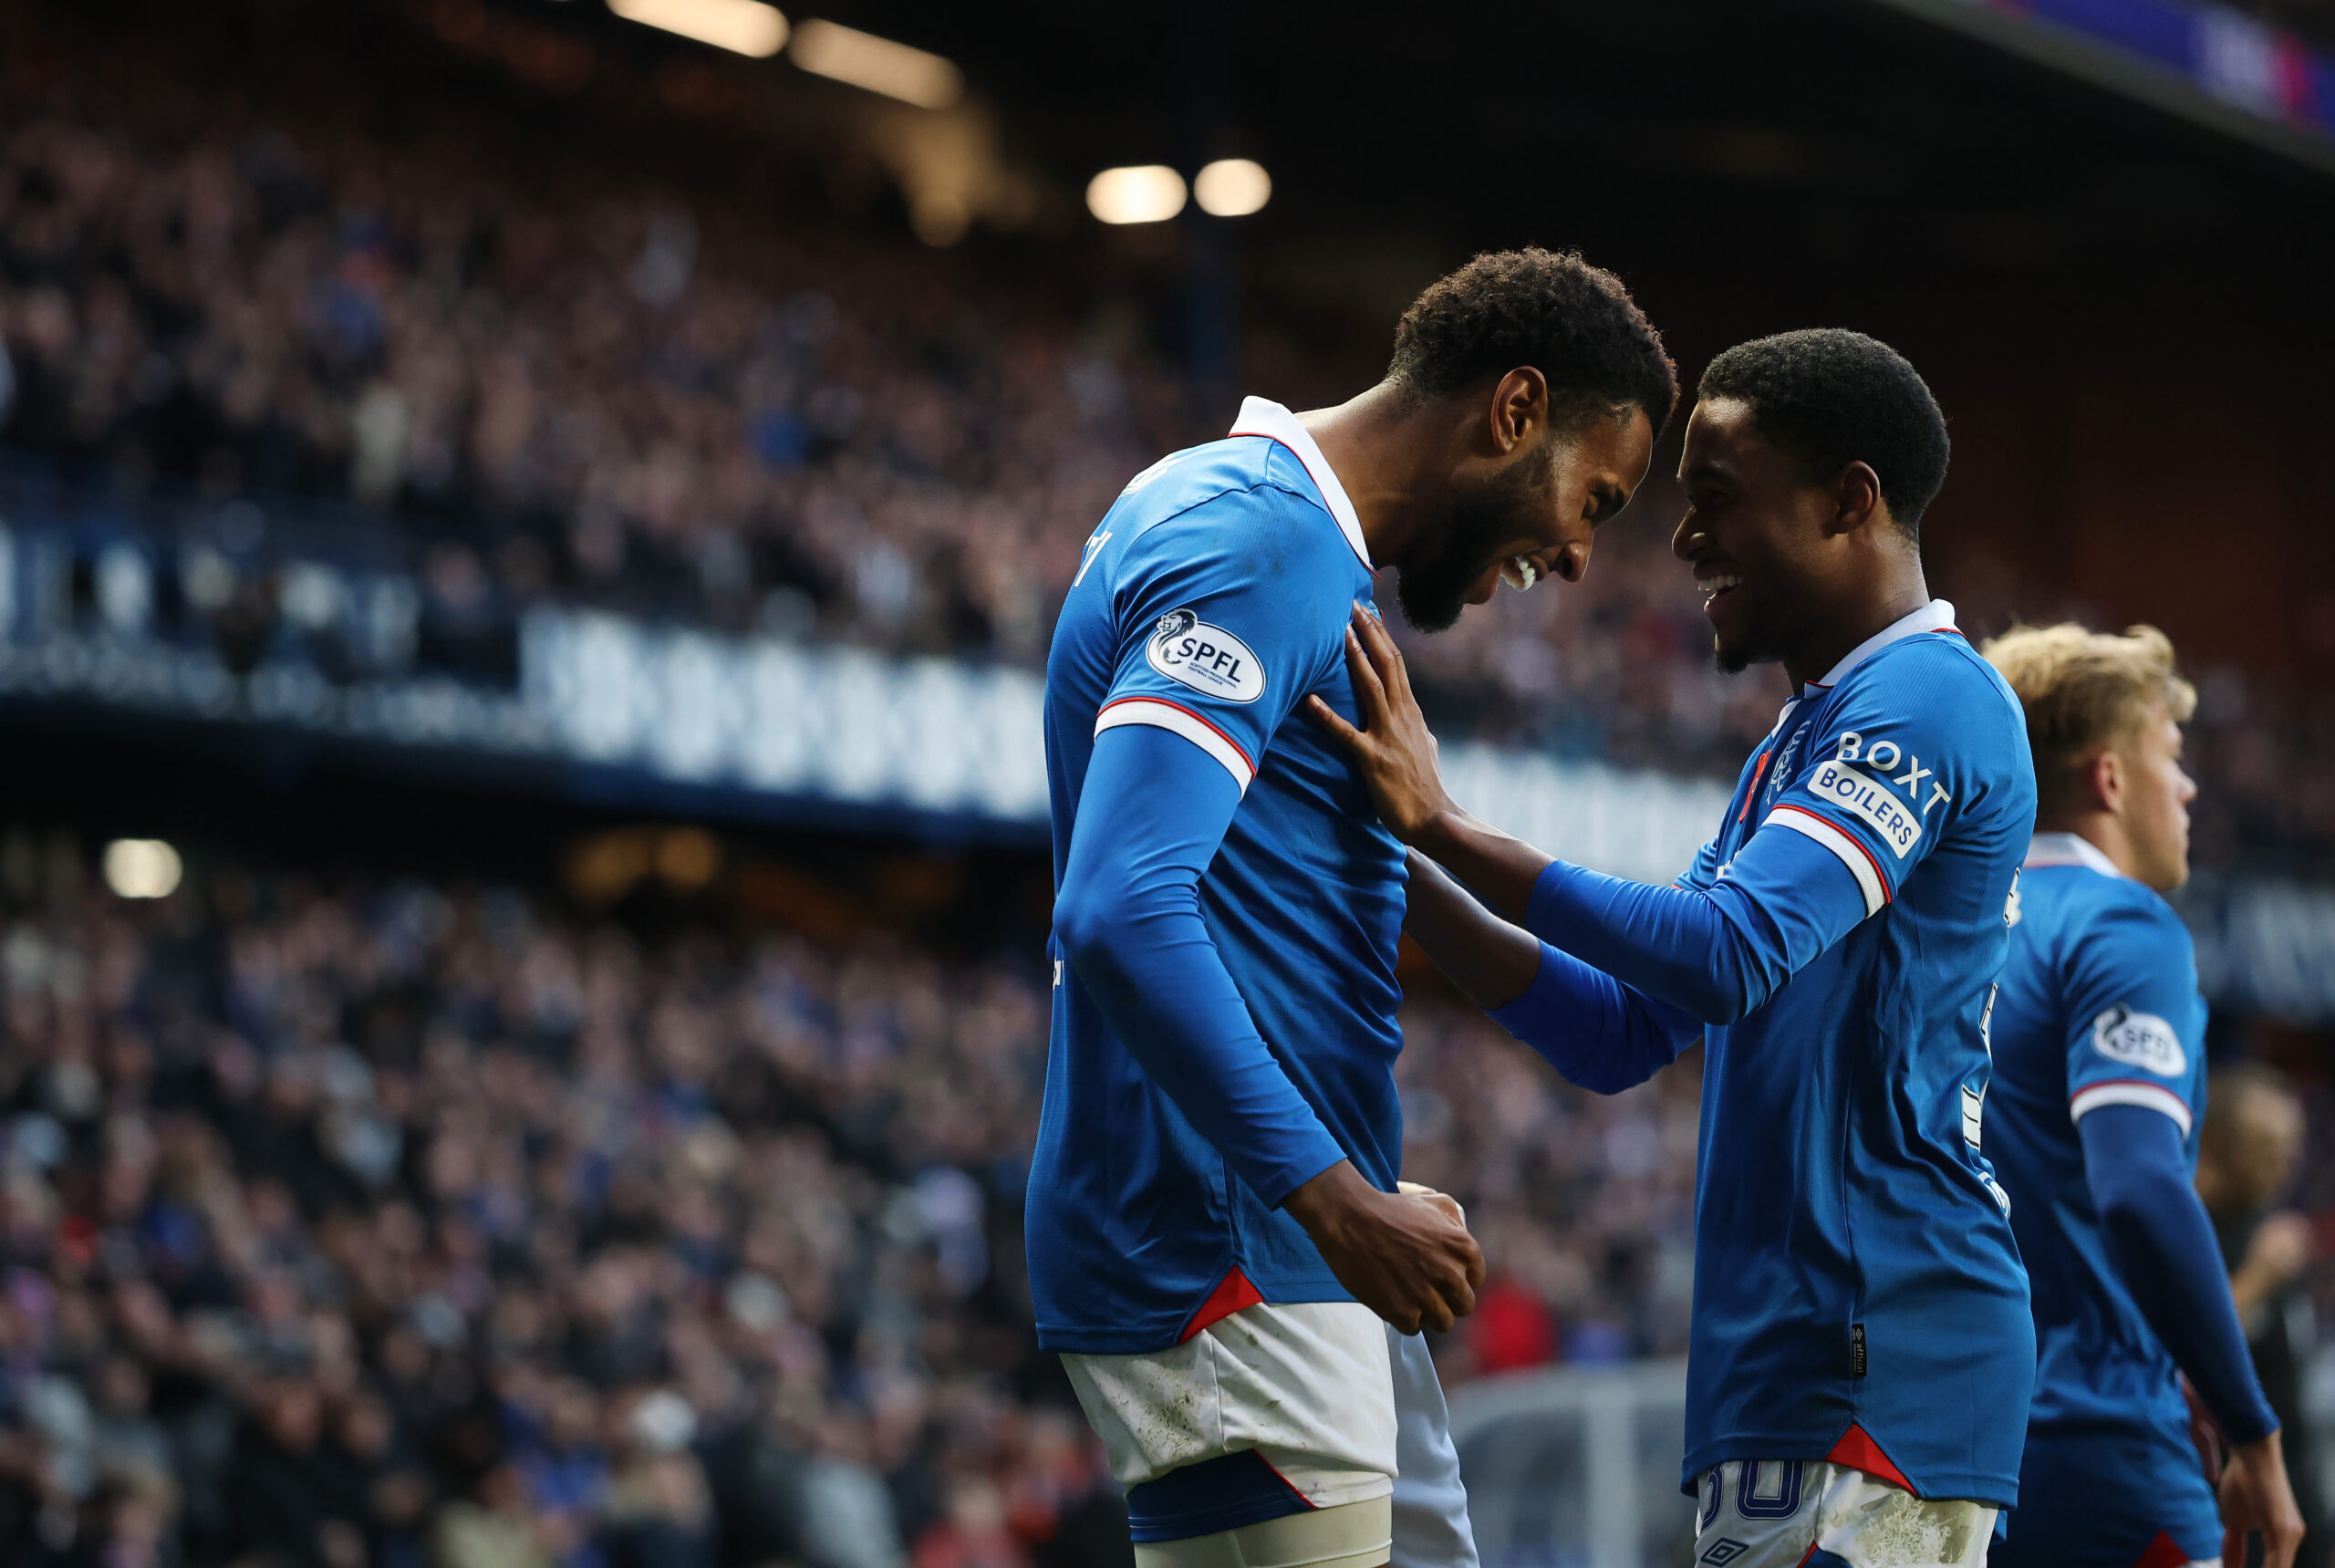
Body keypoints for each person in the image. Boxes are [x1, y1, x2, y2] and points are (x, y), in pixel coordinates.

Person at [1311, 329, 2036, 1568]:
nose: (1683, 540)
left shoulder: (1930, 698)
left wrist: (1443, 820)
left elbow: (1722, 951)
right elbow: (1622, 1027)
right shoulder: (1795, 748)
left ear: (1850, 500)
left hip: (1886, 1359)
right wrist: (1389, 857)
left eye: (1716, 500)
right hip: (1785, 1367)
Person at [1031, 248, 1676, 1568]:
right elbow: (1119, 903)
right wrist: (1327, 1192)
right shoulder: (1259, 540)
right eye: (1593, 498)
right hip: (1237, 1244)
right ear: (1513, 410)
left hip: (1278, 1240)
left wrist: (1422, 841)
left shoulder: (1280, 544)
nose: (1574, 554)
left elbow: (1256, 879)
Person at [1975, 624, 2303, 1568]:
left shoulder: (1937, 931)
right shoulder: (2122, 925)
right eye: (2172, 757)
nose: (2189, 788)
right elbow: (2139, 1189)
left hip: (1934, 1442)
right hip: (2100, 1441)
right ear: (2110, 778)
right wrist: (2254, 1434)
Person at [2201, 1064, 2325, 1567]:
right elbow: (2184, 1349)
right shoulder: (2197, 1239)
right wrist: (2258, 1276)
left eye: (2290, 1145)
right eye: (2266, 1145)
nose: (2284, 1161)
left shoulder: (2270, 1229)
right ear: (2221, 1146)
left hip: (2296, 1485)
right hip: (2228, 1500)